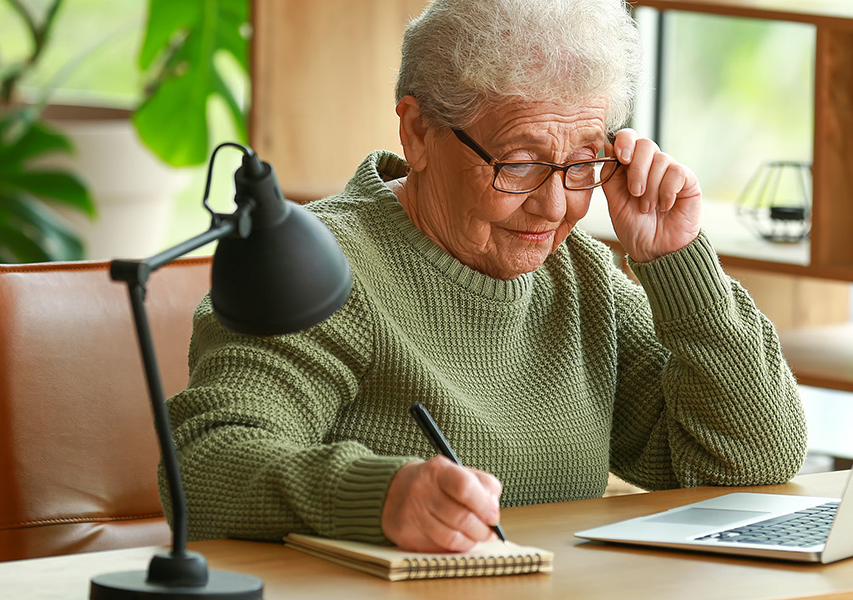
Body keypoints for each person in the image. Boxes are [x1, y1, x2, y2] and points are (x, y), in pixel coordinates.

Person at [166, 0, 807, 553]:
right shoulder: (324, 269)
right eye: (521, 161)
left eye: (583, 162)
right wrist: (380, 498)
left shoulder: (583, 279)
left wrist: (678, 261)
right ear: (418, 132)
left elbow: (752, 459)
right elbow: (202, 462)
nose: (555, 206)